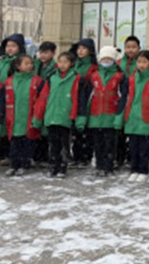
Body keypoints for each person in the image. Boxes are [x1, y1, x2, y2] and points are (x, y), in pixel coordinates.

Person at [115, 49, 149, 182]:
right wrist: (120, 117)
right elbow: (124, 98)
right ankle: (134, 169)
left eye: (145, 62)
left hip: (146, 117)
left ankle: (143, 170)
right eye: (139, 62)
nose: (141, 65)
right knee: (133, 146)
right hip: (132, 117)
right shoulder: (131, 78)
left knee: (144, 147)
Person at [32, 51, 84, 179]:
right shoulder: (51, 78)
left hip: (66, 116)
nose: (62, 65)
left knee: (65, 144)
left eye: (65, 62)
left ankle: (63, 166)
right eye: (60, 61)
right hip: (51, 115)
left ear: (71, 63)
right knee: (53, 144)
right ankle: (54, 165)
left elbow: (79, 99)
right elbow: (43, 98)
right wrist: (38, 117)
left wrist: (79, 117)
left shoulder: (76, 78)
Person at [0, 54, 45, 176]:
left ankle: (25, 165)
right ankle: (14, 165)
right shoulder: (9, 81)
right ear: (18, 66)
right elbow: (2, 102)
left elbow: (41, 101)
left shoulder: (37, 81)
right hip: (13, 119)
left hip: (28, 118)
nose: (30, 66)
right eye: (26, 63)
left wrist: (37, 118)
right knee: (14, 144)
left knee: (27, 144)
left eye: (31, 63)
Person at [86, 46, 124, 177]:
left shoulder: (119, 76)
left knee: (110, 143)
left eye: (109, 58)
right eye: (104, 58)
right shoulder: (94, 76)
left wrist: (119, 115)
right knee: (98, 143)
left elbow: (123, 97)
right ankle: (99, 165)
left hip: (110, 115)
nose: (106, 60)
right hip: (96, 116)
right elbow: (89, 97)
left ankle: (108, 166)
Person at [70, 38, 97, 167]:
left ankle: (85, 157)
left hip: (86, 101)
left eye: (83, 48)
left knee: (85, 133)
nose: (80, 51)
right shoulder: (73, 64)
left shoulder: (92, 68)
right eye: (78, 48)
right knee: (75, 132)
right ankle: (76, 156)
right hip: (72, 101)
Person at [116, 36, 142, 168]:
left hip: (136, 100)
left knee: (133, 131)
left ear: (139, 48)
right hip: (121, 99)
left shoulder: (142, 62)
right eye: (128, 47)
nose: (130, 50)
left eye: (133, 47)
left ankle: (132, 157)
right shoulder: (119, 63)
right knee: (119, 132)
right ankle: (119, 157)